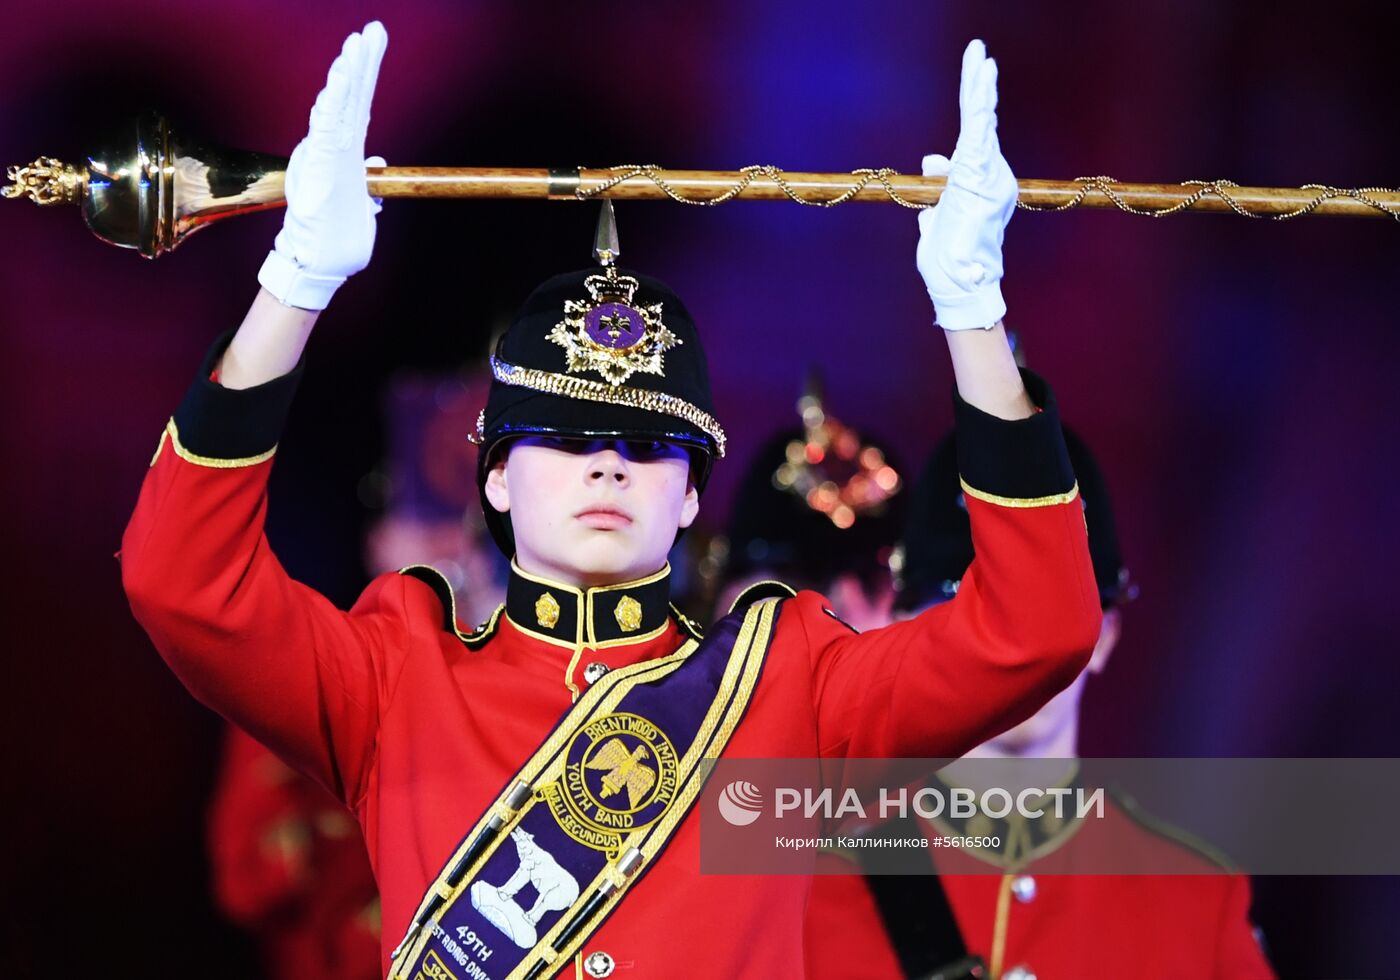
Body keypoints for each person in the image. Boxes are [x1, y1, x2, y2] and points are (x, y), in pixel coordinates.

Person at [120, 23, 1100, 979]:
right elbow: (181, 582)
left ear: (688, 497)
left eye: (647, 443)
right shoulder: (394, 676)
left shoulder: (787, 686)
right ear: (495, 475)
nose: (608, 467)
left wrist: (973, 313)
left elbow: (1037, 628)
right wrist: (292, 286)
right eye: (566, 437)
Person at [805, 431, 1275, 980]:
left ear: (1108, 634)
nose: (1020, 658)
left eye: (1054, 622)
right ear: (906, 630)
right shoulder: (806, 889)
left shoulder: (1197, 903)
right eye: (981, 624)